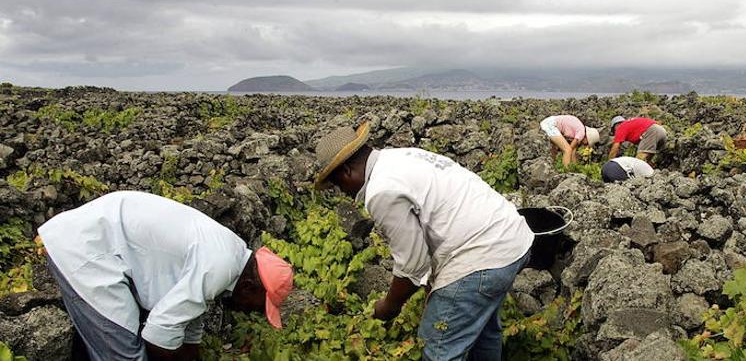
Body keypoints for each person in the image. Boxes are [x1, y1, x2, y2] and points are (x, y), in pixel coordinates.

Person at [313, 122, 534, 361]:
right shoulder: (399, 157)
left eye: (338, 185)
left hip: (482, 256)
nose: (343, 193)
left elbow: (412, 266)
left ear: (347, 171)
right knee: (483, 333)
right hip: (513, 239)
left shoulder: (381, 190)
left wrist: (388, 306)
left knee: (438, 348)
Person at [37, 191, 293, 361]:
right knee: (125, 355)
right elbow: (158, 335)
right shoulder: (220, 266)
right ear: (248, 287)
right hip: (87, 248)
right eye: (259, 307)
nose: (251, 312)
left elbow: (189, 318)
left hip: (102, 241)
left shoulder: (231, 253)